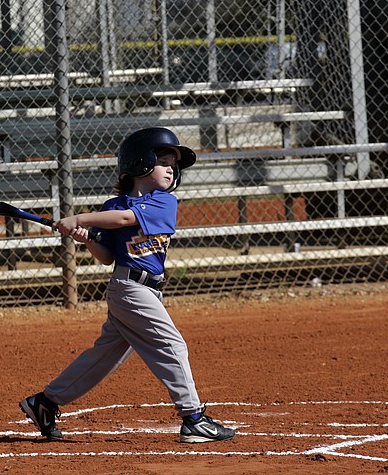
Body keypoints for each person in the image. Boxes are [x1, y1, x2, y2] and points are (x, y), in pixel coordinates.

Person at [19, 127, 235, 444]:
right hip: (129, 288)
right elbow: (107, 256)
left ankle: (45, 403)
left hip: (146, 290)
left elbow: (123, 220)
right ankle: (194, 418)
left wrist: (80, 220)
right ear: (140, 163)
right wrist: (86, 239)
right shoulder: (111, 206)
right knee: (172, 345)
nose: (171, 168)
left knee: (107, 356)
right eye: (163, 161)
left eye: (173, 164)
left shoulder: (164, 202)